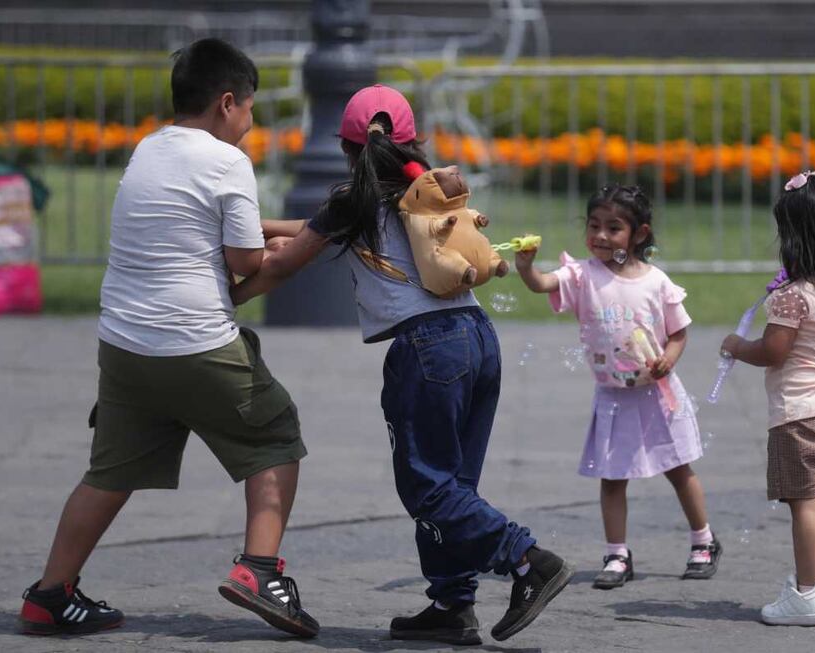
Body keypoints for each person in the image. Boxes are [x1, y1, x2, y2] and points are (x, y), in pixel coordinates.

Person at [230, 84, 574, 645]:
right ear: (411, 139)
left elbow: (292, 260)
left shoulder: (352, 200)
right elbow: (316, 233)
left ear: (346, 147)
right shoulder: (427, 190)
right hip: (477, 337)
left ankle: (528, 561)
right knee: (455, 481)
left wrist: (228, 295)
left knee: (429, 488)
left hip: (426, 348)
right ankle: (451, 603)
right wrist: (272, 227)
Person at [17, 38, 318, 638]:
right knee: (275, 437)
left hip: (125, 345)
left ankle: (49, 595)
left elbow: (203, 220)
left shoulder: (149, 149)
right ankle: (260, 571)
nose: (251, 123)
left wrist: (293, 230)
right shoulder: (228, 161)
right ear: (226, 102)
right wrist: (309, 243)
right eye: (250, 109)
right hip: (197, 344)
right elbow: (246, 257)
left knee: (110, 472)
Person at [515, 183, 721, 589]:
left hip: (657, 394)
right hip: (612, 395)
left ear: (638, 234)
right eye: (594, 226)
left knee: (679, 469)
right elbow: (542, 284)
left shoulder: (656, 282)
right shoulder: (581, 275)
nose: (601, 236)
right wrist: (525, 267)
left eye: (614, 228)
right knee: (612, 478)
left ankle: (704, 541)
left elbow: (679, 332)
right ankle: (617, 554)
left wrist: (669, 360)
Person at [720, 171, 815, 626]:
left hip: (800, 416)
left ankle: (808, 594)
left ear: (797, 237)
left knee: (806, 508)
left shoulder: (794, 296)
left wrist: (736, 346)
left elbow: (774, 351)